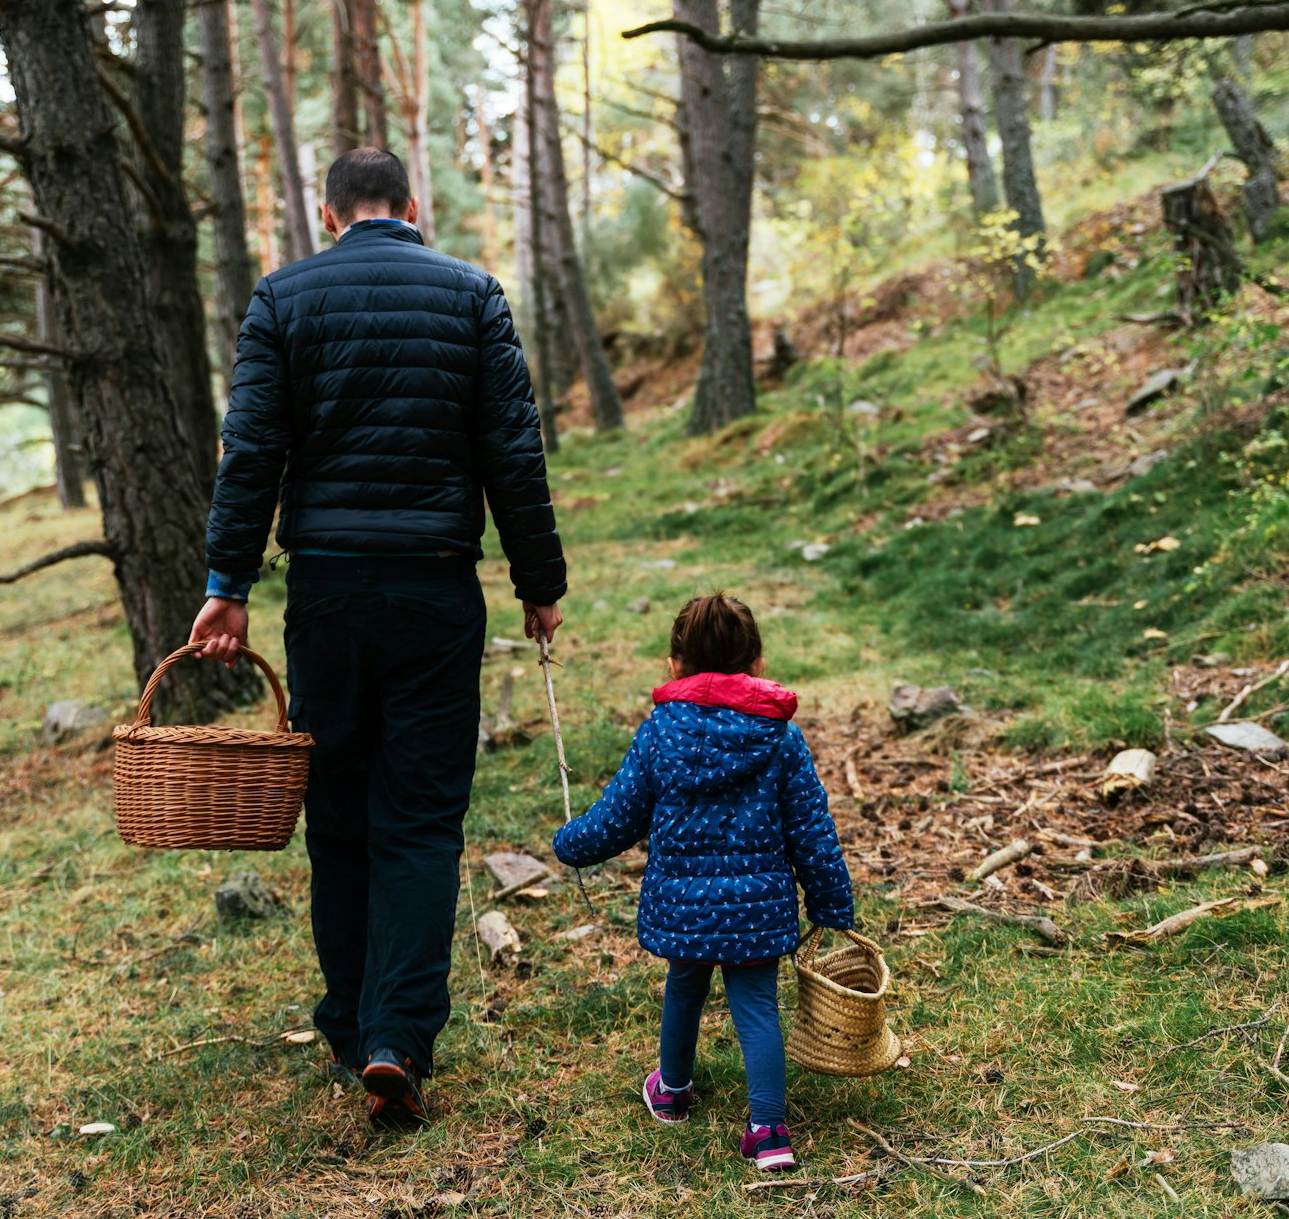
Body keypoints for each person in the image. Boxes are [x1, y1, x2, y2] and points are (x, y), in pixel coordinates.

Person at [192, 148, 565, 1128]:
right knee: (422, 818)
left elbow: (252, 447)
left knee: (341, 813)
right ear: (414, 206)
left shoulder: (283, 297)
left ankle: (351, 1027)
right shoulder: (471, 293)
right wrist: (539, 583)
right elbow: (511, 451)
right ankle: (397, 1036)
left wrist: (226, 584)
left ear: (328, 211)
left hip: (325, 595)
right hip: (436, 594)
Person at [551, 593, 854, 1173]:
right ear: (757, 662)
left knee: (685, 987)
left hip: (684, 905)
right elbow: (813, 829)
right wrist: (831, 903)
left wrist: (572, 844)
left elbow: (619, 815)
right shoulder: (780, 739)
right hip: (757, 907)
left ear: (675, 663)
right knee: (757, 1005)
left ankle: (672, 1089)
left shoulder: (661, 733)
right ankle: (768, 1131)